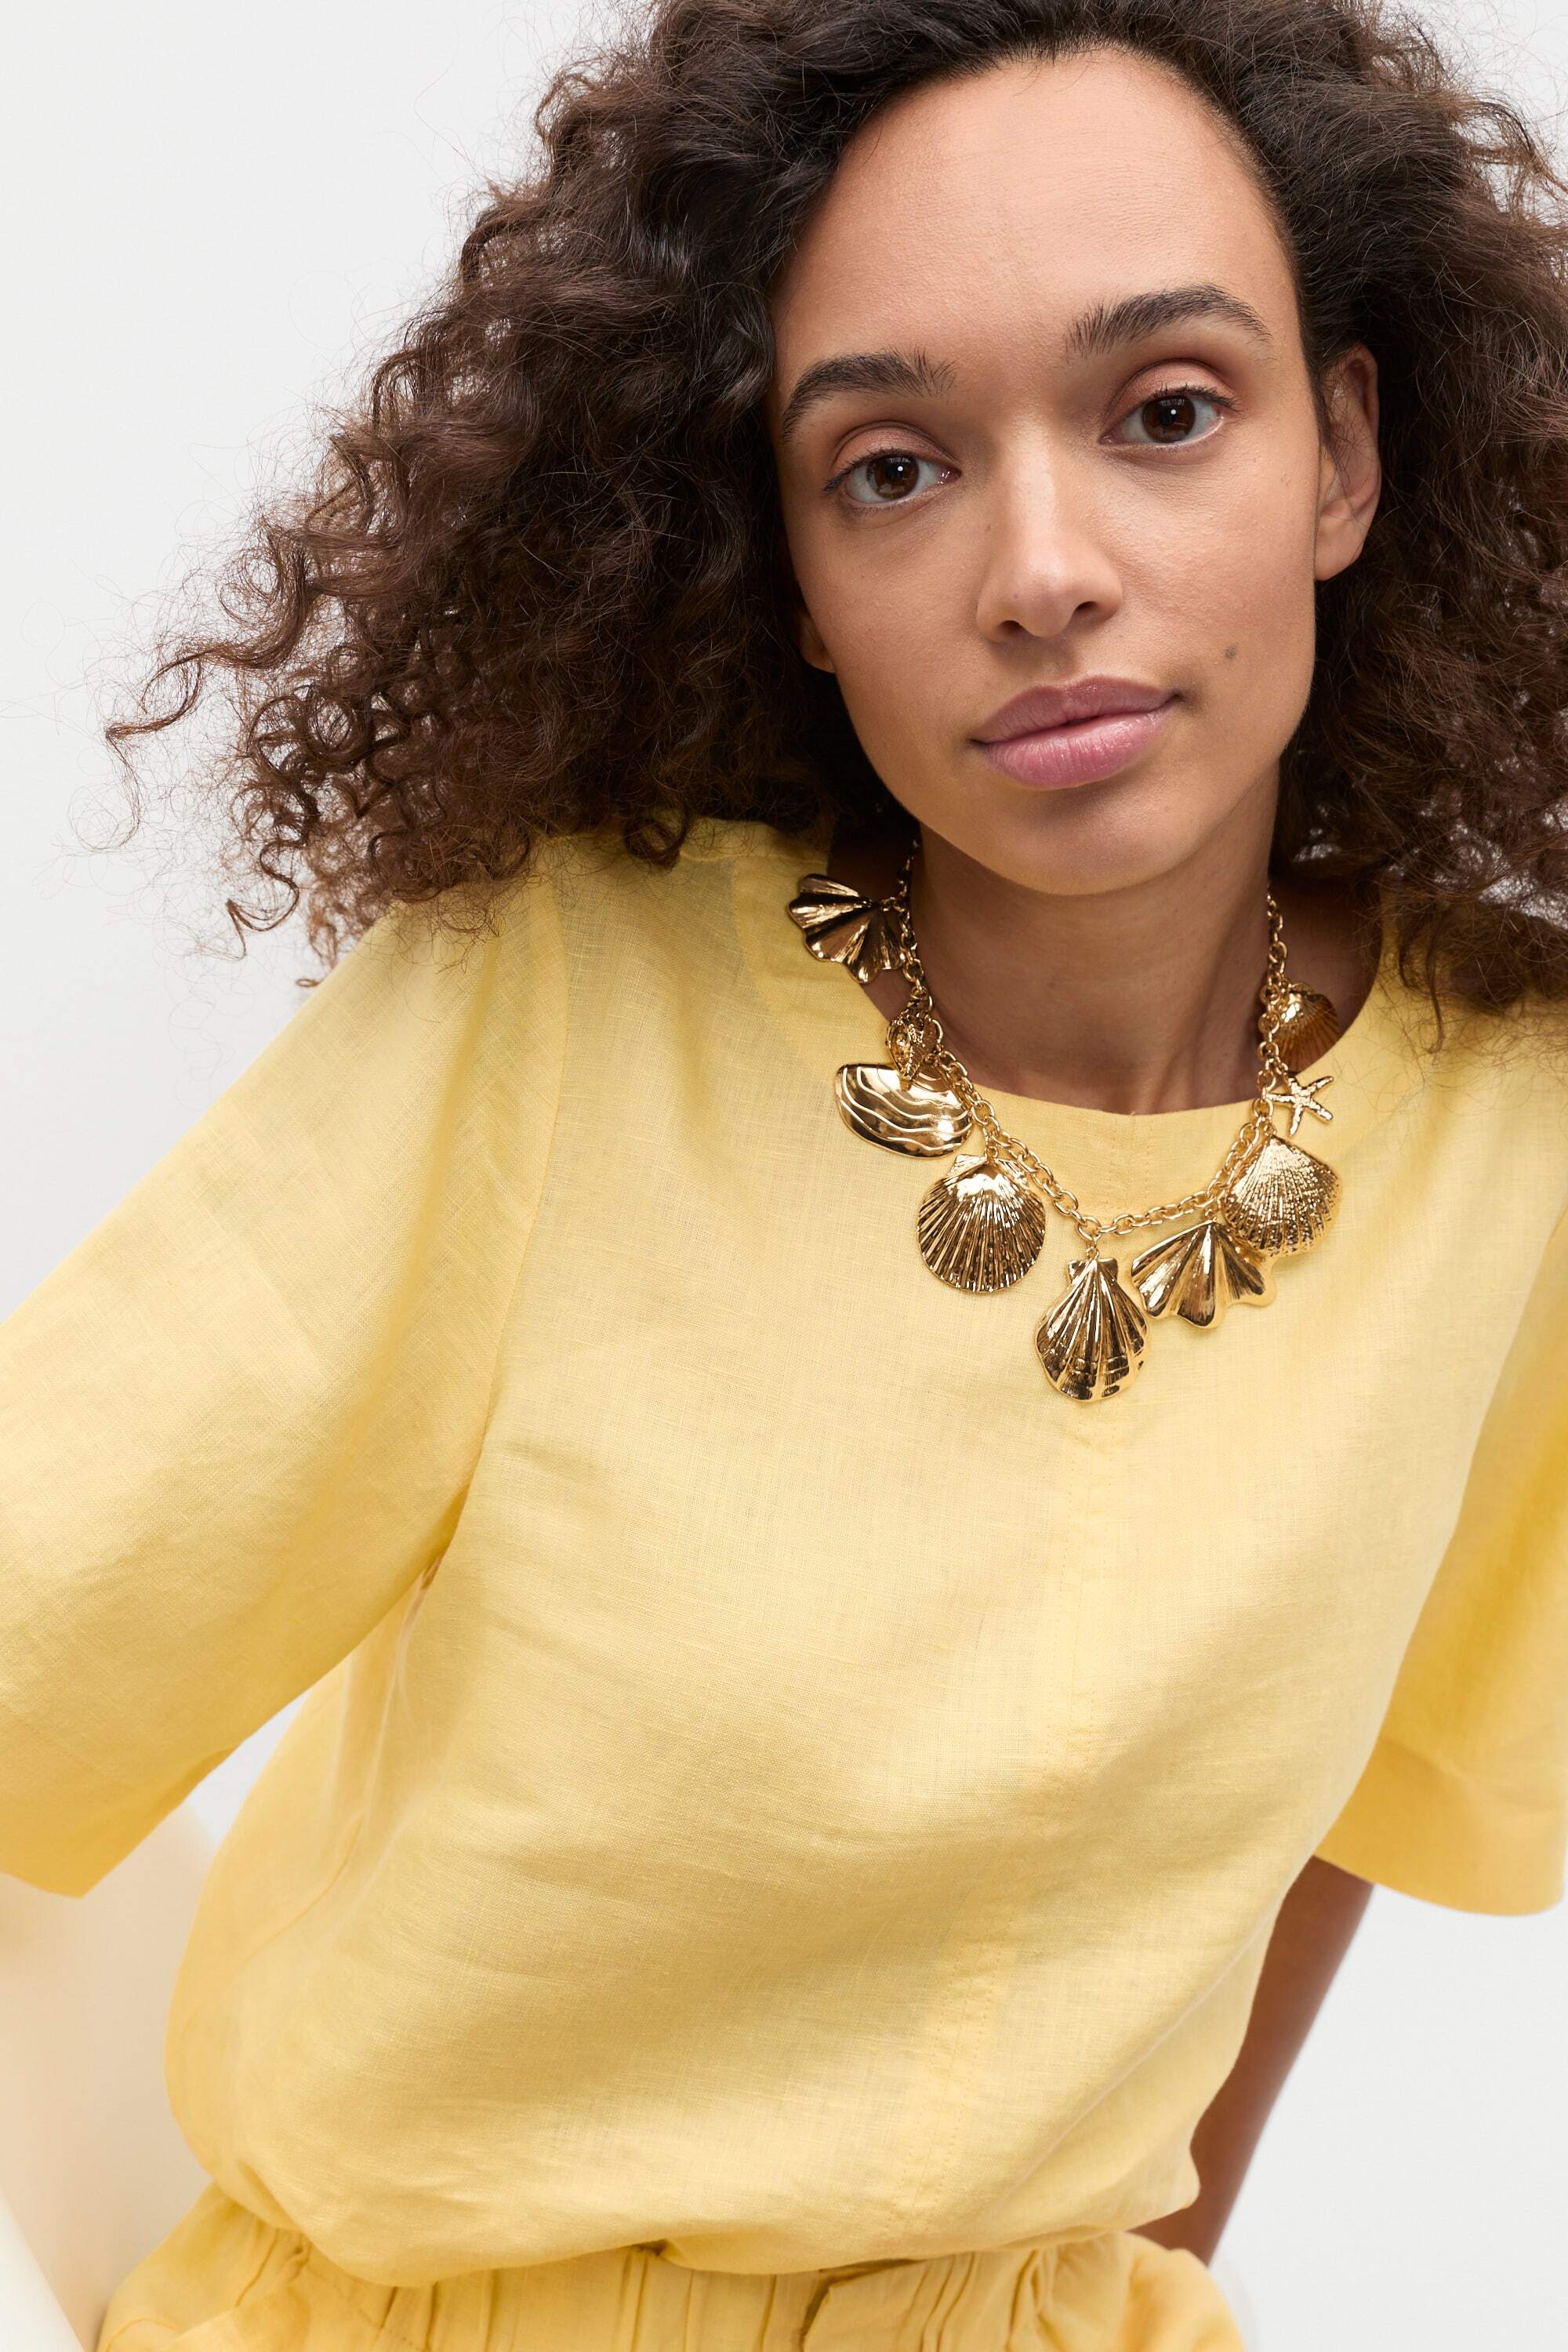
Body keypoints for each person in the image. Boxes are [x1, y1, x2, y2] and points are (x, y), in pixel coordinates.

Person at [5, 0, 1568, 2344]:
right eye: (893, 468)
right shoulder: (552, 1010)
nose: (1043, 570)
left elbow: (1354, 1793)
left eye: (1165, 412)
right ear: (799, 581)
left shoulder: (1515, 1114)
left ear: (1341, 454)